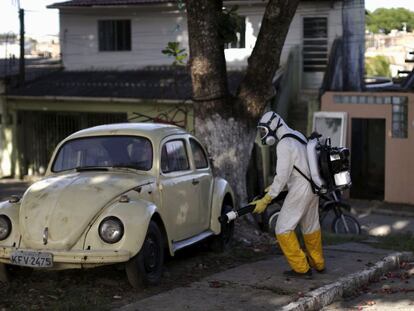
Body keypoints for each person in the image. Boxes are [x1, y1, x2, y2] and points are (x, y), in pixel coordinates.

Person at [251, 111, 325, 278]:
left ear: (272, 125)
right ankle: (318, 263)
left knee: (282, 228)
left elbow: (282, 176)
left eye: (264, 130)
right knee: (310, 226)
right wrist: (276, 188)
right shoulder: (297, 135)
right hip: (314, 187)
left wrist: (268, 198)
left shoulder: (284, 144)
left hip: (300, 189)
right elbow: (301, 168)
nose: (264, 134)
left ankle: (301, 268)